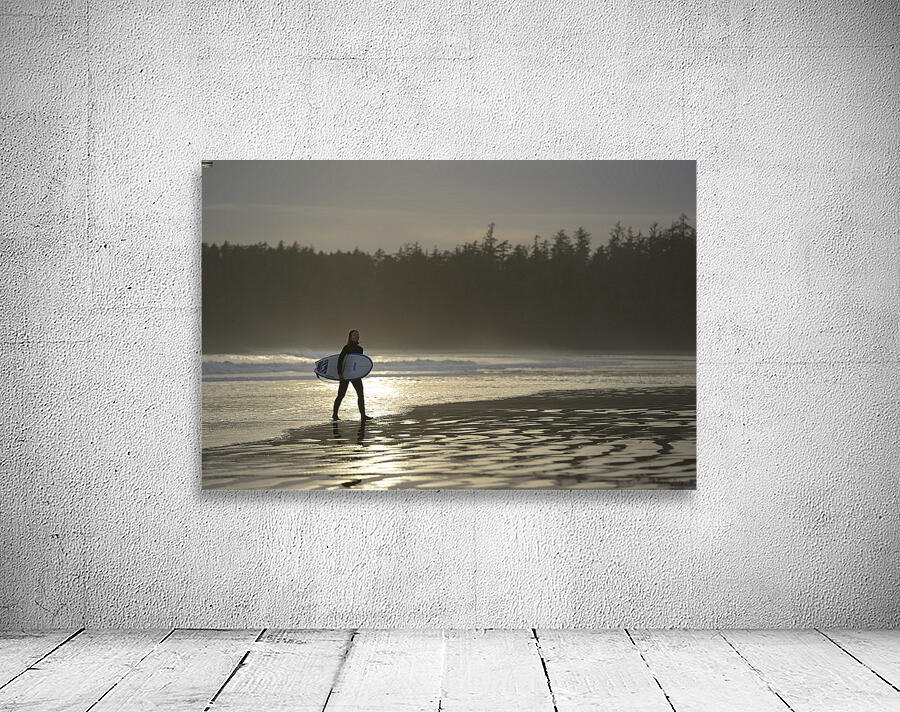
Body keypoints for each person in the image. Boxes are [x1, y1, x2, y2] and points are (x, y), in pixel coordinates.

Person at [333, 329, 373, 421]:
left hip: (355, 375)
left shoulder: (360, 349)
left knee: (360, 395)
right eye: (354, 335)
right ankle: (334, 415)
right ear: (350, 337)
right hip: (345, 375)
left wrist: (360, 373)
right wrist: (340, 374)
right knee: (341, 395)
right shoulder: (346, 348)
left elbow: (358, 363)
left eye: (357, 335)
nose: (357, 336)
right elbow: (340, 360)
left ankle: (363, 415)